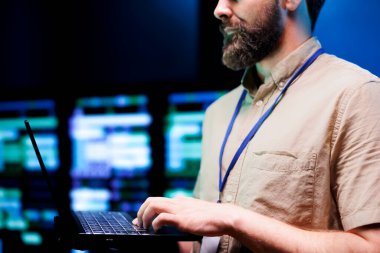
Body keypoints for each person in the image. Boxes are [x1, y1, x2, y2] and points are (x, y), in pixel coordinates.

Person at [133, 0, 380, 252]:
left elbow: (372, 246)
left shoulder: (356, 96)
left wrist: (232, 218)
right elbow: (205, 242)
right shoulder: (218, 112)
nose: (218, 9)